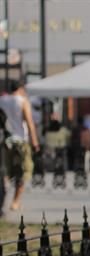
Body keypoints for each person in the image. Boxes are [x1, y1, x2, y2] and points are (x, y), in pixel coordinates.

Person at [0, 82, 40, 212]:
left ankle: (3, 195)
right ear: (20, 89)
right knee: (22, 172)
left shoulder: (1, 100)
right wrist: (35, 143)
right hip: (20, 140)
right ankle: (15, 202)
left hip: (5, 141)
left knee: (5, 171)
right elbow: (29, 123)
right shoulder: (23, 101)